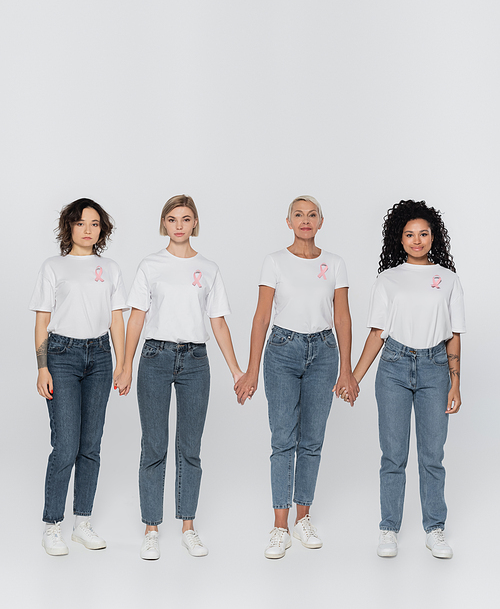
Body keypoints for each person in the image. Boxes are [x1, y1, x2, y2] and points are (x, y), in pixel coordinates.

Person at [235, 196, 358, 558]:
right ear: (288, 221)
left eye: (312, 215)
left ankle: (303, 517)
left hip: (324, 352)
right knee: (283, 437)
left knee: (313, 438)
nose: (305, 220)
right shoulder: (274, 262)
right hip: (282, 351)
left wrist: (347, 369)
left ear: (321, 221)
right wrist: (252, 369)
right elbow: (260, 317)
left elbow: (343, 318)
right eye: (298, 215)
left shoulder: (334, 263)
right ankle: (279, 526)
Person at [341, 199, 464, 559]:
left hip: (435, 368)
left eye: (423, 233)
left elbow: (454, 333)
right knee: (393, 454)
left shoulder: (449, 279)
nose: (416, 240)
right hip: (394, 366)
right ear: (399, 238)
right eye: (409, 234)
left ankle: (435, 528)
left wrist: (455, 382)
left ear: (433, 237)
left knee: (432, 455)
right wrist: (354, 377)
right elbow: (378, 332)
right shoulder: (389, 279)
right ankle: (389, 528)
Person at [122, 194, 242, 560]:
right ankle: (151, 527)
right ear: (164, 224)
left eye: (185, 219)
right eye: (172, 218)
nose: (178, 225)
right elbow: (137, 317)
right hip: (155, 357)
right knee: (154, 445)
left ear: (194, 224)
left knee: (190, 448)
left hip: (195, 360)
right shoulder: (150, 265)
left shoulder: (208, 269)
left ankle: (188, 526)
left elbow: (218, 321)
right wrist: (125, 364)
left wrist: (236, 369)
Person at [30, 198, 128, 556]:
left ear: (102, 230)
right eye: (81, 223)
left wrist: (122, 363)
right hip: (62, 357)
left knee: (91, 445)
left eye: (95, 224)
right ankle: (52, 525)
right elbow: (42, 321)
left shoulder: (111, 268)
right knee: (66, 444)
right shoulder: (54, 267)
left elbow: (117, 318)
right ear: (69, 226)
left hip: (100, 356)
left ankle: (81, 523)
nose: (88, 230)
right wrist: (42, 366)